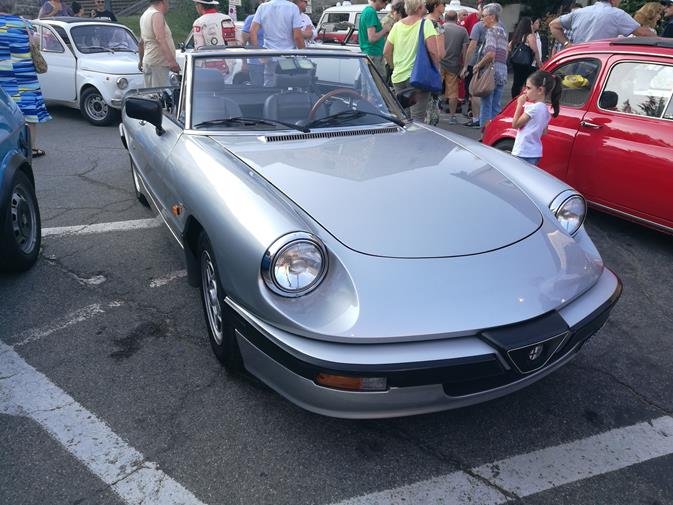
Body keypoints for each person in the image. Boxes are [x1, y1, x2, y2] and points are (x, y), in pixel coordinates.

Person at [0, 0, 52, 157]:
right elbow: (37, 44)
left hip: (3, 79)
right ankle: (30, 149)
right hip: (25, 77)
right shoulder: (25, 24)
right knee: (29, 115)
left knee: (4, 115)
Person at [383, 0, 441, 122]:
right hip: (418, 77)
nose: (426, 7)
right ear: (419, 8)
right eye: (424, 5)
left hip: (398, 77)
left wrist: (394, 66)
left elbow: (386, 51)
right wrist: (437, 69)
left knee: (404, 117)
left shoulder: (397, 26)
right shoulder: (426, 24)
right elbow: (433, 52)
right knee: (417, 118)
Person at [549, 0, 653, 48]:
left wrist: (567, 44)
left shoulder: (579, 12)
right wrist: (660, 40)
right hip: (599, 61)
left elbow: (553, 25)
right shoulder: (617, 14)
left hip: (577, 58)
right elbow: (644, 34)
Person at [510, 70, 561, 166]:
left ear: (540, 90)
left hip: (524, 151)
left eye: (528, 88)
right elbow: (544, 132)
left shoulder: (533, 108)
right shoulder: (546, 111)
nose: (525, 91)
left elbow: (515, 125)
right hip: (535, 153)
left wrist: (519, 105)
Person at [472, 2, 507, 129]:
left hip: (490, 73)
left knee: (486, 105)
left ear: (492, 17)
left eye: (483, 16)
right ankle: (493, 132)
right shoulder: (503, 31)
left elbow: (491, 54)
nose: (481, 19)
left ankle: (484, 134)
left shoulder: (491, 31)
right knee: (496, 106)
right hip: (501, 72)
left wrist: (478, 65)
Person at [138, 0, 180, 88]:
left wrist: (141, 61)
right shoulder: (157, 15)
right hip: (158, 63)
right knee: (160, 93)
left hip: (148, 61)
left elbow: (141, 42)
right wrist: (172, 62)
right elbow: (160, 38)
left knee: (150, 93)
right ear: (163, 1)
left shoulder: (145, 15)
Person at [440, 9, 468, 124]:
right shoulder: (462, 30)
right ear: (457, 19)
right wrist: (464, 66)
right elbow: (465, 50)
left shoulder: (440, 28)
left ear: (445, 18)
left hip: (439, 63)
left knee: (434, 89)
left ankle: (432, 111)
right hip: (454, 65)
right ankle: (452, 116)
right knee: (452, 93)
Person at [459, 5, 484, 127]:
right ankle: (483, 119)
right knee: (485, 92)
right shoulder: (499, 26)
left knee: (473, 91)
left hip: (475, 62)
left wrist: (465, 65)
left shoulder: (478, 26)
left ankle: (476, 118)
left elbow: (471, 46)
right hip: (489, 64)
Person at [509, 17, 540, 98]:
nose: (532, 26)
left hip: (516, 62)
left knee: (517, 82)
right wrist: (539, 63)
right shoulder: (529, 36)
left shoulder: (517, 35)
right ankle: (523, 98)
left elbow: (509, 46)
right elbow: (535, 50)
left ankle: (514, 98)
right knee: (528, 82)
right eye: (531, 24)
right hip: (526, 63)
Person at [424, 0, 445, 125]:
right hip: (433, 66)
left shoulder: (421, 21)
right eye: (443, 4)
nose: (444, 6)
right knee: (432, 102)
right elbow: (440, 53)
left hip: (420, 66)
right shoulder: (437, 25)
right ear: (436, 6)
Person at [359, 0, 390, 78]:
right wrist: (385, 30)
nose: (384, 7)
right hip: (374, 55)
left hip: (370, 54)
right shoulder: (371, 12)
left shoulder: (367, 11)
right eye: (385, 3)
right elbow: (372, 38)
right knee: (378, 83)